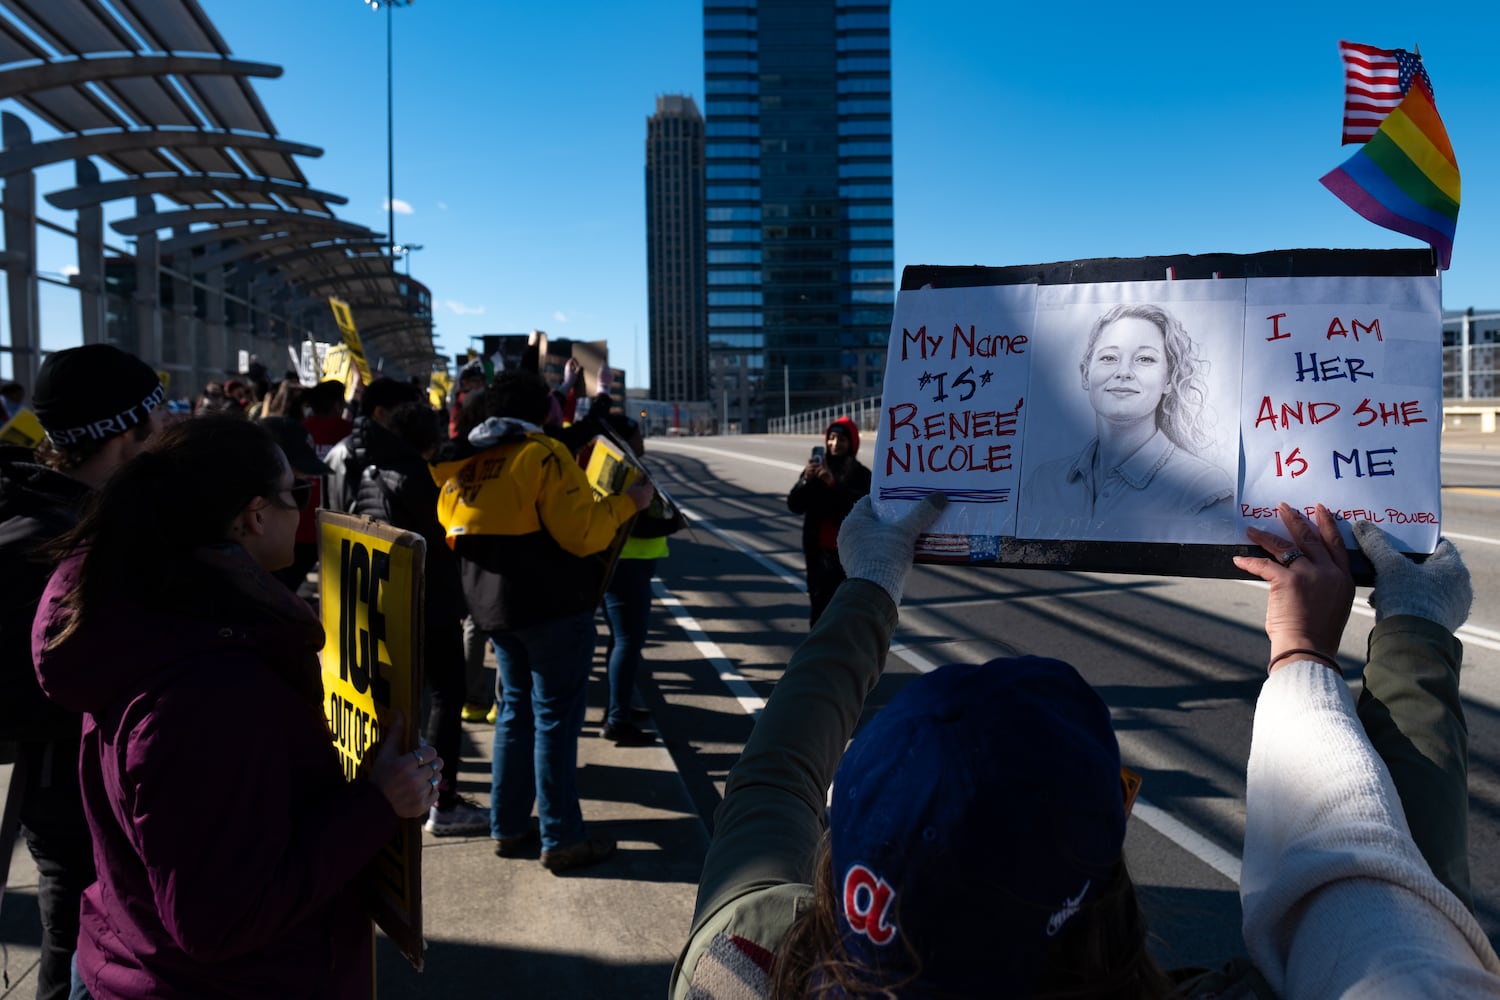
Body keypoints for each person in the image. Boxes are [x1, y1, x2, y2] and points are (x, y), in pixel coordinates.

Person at [670, 497, 1500, 998]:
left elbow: (771, 781)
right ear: (1097, 901)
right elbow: (1395, 920)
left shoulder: (740, 963)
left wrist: (865, 588)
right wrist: (1358, 646)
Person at [30, 417, 440, 999]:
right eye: (294, 494)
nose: (302, 509)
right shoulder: (213, 692)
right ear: (253, 514)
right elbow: (218, 920)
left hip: (139, 961)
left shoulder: (141, 612)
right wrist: (378, 803)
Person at [432, 369, 654, 872]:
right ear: (540, 411)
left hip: (494, 612)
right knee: (555, 721)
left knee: (515, 715)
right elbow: (583, 534)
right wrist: (628, 503)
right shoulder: (543, 454)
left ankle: (508, 826)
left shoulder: (468, 464)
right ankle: (562, 837)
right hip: (552, 608)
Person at [0, 345, 165, 1000]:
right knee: (80, 955)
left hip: (66, 792)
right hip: (86, 800)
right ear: (129, 433)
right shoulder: (67, 544)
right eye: (159, 417)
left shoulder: (43, 515)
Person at [348, 398, 490, 836]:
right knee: (447, 700)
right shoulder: (414, 477)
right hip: (431, 605)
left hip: (387, 605)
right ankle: (442, 804)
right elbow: (446, 536)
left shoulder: (371, 470)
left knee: (406, 707)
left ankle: (412, 796)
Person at [1026, 303, 1233, 529]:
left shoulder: (1204, 488)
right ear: (1085, 373)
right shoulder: (1043, 483)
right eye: (1108, 358)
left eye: (1145, 359)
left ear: (1168, 379)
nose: (1123, 372)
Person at [598, 415, 684, 746]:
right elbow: (634, 525)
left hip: (624, 563)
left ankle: (616, 708)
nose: (642, 440)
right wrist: (672, 525)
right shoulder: (627, 472)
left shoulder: (617, 466)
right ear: (626, 439)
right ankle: (617, 720)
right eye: (637, 435)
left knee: (619, 640)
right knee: (627, 642)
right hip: (629, 564)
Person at [786, 416, 870, 625]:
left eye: (841, 439)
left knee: (845, 614)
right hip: (818, 555)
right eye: (831, 438)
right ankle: (818, 656)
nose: (835, 444)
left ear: (852, 443)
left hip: (847, 557)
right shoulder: (816, 469)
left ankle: (842, 657)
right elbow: (794, 505)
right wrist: (805, 480)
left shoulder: (861, 475)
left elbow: (858, 508)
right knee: (819, 609)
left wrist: (833, 485)